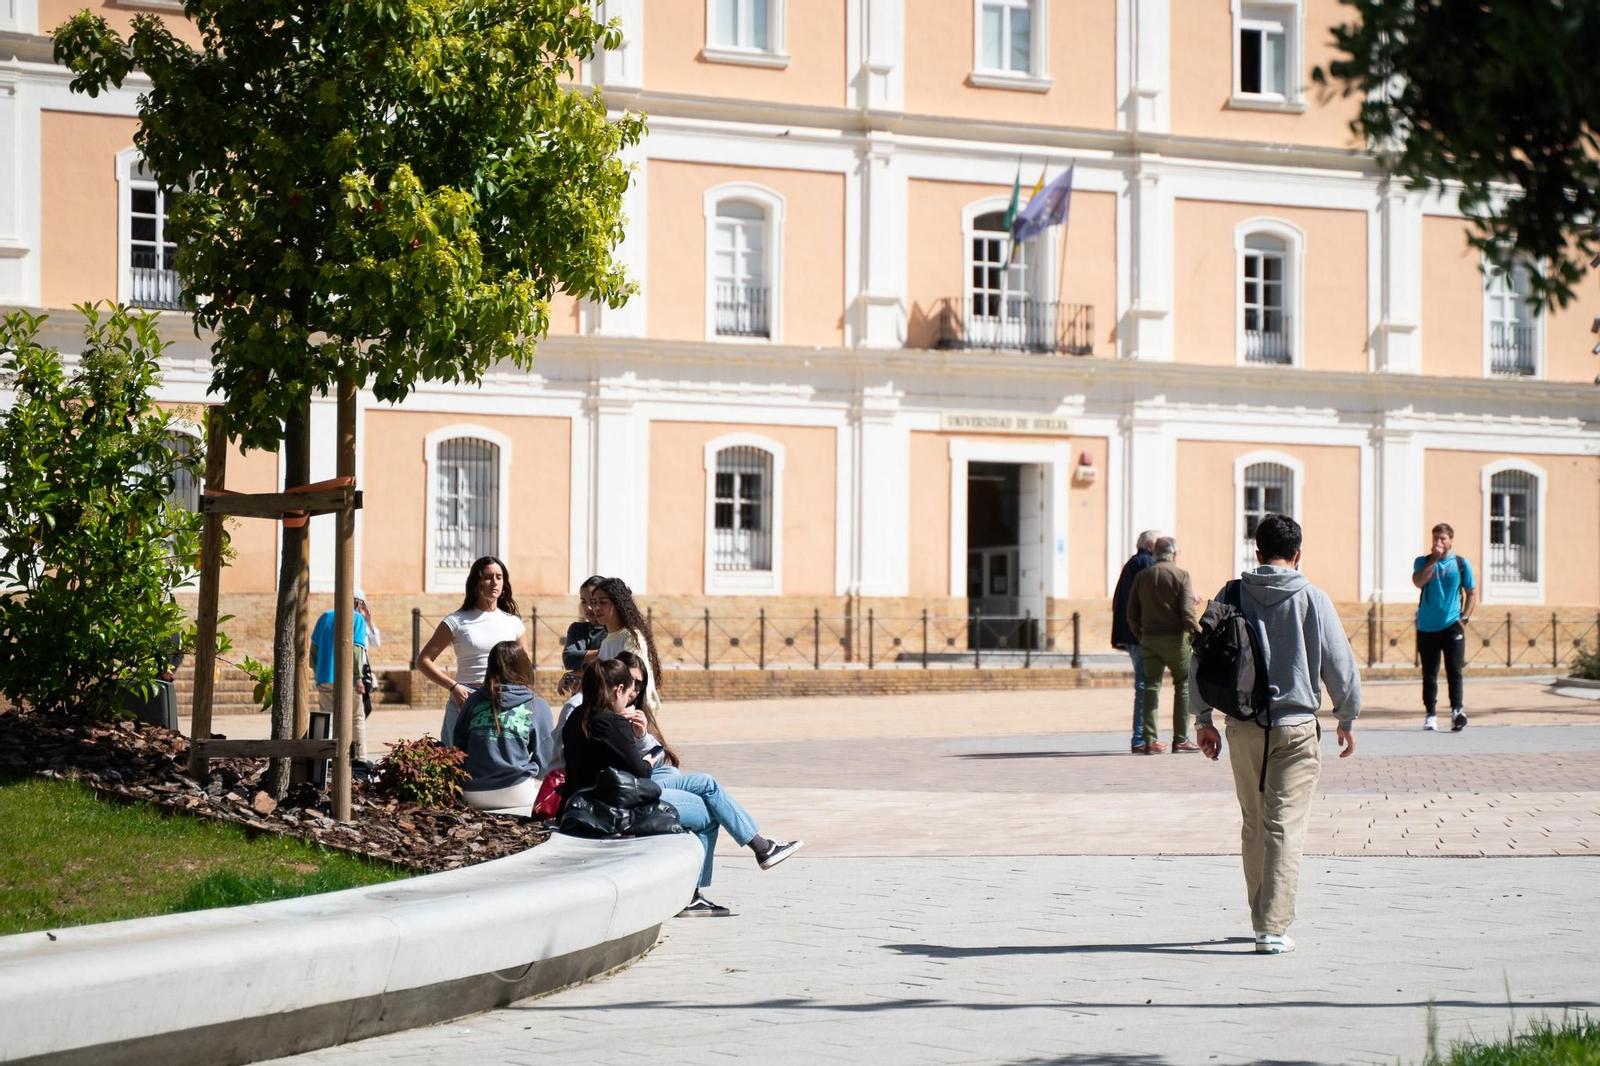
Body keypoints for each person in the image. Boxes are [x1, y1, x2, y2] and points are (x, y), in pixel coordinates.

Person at [1196, 513, 1359, 955]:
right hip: (1296, 728)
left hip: (1243, 728)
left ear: (1258, 552)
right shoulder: (1313, 598)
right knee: (1284, 825)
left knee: (1254, 822)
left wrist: (1202, 719)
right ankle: (1271, 927)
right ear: (1298, 554)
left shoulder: (1230, 594)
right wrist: (1346, 717)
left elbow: (1203, 656)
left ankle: (1261, 916)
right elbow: (1340, 664)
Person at [562, 658, 800, 918]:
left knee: (706, 783)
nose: (631, 698)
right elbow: (640, 771)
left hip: (592, 801)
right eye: (630, 690)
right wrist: (648, 755)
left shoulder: (576, 717)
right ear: (618, 690)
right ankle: (693, 895)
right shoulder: (610, 722)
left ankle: (762, 846)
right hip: (619, 806)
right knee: (709, 814)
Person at [416, 556, 526, 743]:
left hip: (504, 700)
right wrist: (453, 687)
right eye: (488, 577)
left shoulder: (514, 623)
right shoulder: (456, 621)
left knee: (498, 757)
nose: (494, 582)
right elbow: (423, 661)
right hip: (465, 698)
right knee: (456, 757)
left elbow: (524, 667)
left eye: (499, 577)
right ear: (476, 582)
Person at [451, 641, 555, 812]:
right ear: (524, 666)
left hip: (471, 792)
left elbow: (457, 748)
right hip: (517, 792)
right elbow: (546, 760)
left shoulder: (474, 700)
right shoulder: (537, 704)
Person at [1127, 536, 1199, 753]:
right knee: (1183, 686)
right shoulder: (1181, 575)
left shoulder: (1143, 576)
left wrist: (1141, 635)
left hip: (1149, 639)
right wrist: (1197, 634)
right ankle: (1180, 738)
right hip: (1175, 639)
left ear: (1155, 554)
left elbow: (1131, 613)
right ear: (1174, 554)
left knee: (1150, 687)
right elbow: (1187, 613)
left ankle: (1149, 740)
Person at [1413, 523, 1476, 732]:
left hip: (1452, 625)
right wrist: (1434, 559)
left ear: (1451, 540)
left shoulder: (1461, 564)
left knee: (1454, 670)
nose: (1438, 542)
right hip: (1427, 626)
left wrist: (1464, 618)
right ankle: (1430, 714)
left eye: (1442, 538)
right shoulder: (1422, 562)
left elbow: (1471, 592)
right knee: (1429, 673)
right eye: (1435, 538)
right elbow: (1418, 582)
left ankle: (1457, 711)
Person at [1111, 530, 1161, 754]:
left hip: (1131, 633)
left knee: (1144, 685)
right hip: (1139, 634)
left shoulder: (1133, 562)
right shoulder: (1146, 563)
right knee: (1145, 686)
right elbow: (1152, 597)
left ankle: (1144, 737)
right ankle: (1141, 738)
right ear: (1150, 545)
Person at [590, 577, 665, 715]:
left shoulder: (632, 638)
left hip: (634, 711)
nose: (596, 608)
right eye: (594, 602)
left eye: (603, 602)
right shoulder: (606, 640)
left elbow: (633, 680)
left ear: (617, 604)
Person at [310, 590, 370, 759]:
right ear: (358, 603)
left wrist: (319, 671)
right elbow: (356, 651)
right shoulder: (357, 619)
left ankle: (326, 760)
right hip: (348, 679)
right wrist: (358, 678)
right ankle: (360, 758)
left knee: (327, 718)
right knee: (356, 718)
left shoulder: (325, 617)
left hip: (325, 677)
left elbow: (313, 651)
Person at [559, 575, 609, 696]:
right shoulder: (577, 629)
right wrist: (599, 653)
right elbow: (568, 658)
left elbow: (609, 668)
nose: (588, 607)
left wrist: (575, 673)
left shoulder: (612, 631)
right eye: (583, 601)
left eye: (593, 601)